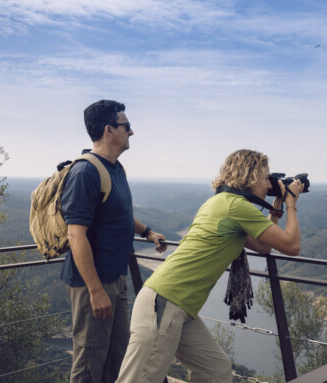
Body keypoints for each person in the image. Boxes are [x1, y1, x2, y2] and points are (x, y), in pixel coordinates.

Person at [116, 149, 304, 383]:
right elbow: (292, 246)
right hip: (166, 300)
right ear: (251, 176)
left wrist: (276, 206)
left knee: (215, 371)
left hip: (179, 306)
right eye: (266, 178)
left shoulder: (221, 202)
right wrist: (291, 202)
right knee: (141, 378)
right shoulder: (236, 207)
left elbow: (264, 247)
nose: (268, 185)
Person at [59, 99, 167, 383]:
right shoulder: (86, 172)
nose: (131, 132)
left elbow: (118, 213)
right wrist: (95, 290)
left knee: (118, 352)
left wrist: (147, 232)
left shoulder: (114, 169)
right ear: (110, 130)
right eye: (126, 126)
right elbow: (75, 235)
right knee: (90, 357)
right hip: (92, 282)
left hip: (115, 278)